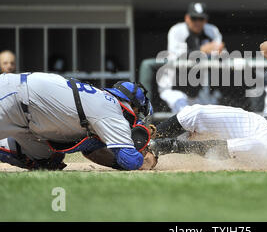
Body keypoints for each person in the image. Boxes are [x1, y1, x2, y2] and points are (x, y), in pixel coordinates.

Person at [0, 73, 157, 171]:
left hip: (25, 113)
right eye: (139, 113)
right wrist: (142, 157)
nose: (138, 119)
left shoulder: (101, 100)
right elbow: (130, 161)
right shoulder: (112, 111)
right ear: (132, 106)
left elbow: (93, 150)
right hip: (15, 97)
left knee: (49, 161)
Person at [158, 2, 225, 113]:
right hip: (174, 86)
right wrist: (202, 50)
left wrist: (220, 52)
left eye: (201, 19)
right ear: (187, 18)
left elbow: (219, 55)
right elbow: (177, 57)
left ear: (205, 20)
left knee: (210, 117)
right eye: (194, 18)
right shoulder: (177, 31)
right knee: (183, 116)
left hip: (200, 88)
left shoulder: (212, 31)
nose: (197, 22)